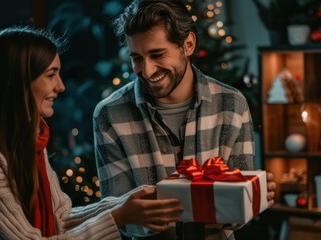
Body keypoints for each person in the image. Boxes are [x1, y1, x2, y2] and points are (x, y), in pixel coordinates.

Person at [0, 26, 184, 240]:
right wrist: (118, 216)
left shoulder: (28, 142)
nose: (60, 86)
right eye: (51, 75)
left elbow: (59, 218)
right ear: (19, 81)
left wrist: (127, 202)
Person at [93, 0, 276, 239]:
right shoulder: (110, 115)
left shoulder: (233, 104)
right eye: (137, 58)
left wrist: (254, 196)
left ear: (188, 44)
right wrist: (207, 201)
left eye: (157, 54)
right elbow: (118, 216)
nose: (146, 71)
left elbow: (237, 215)